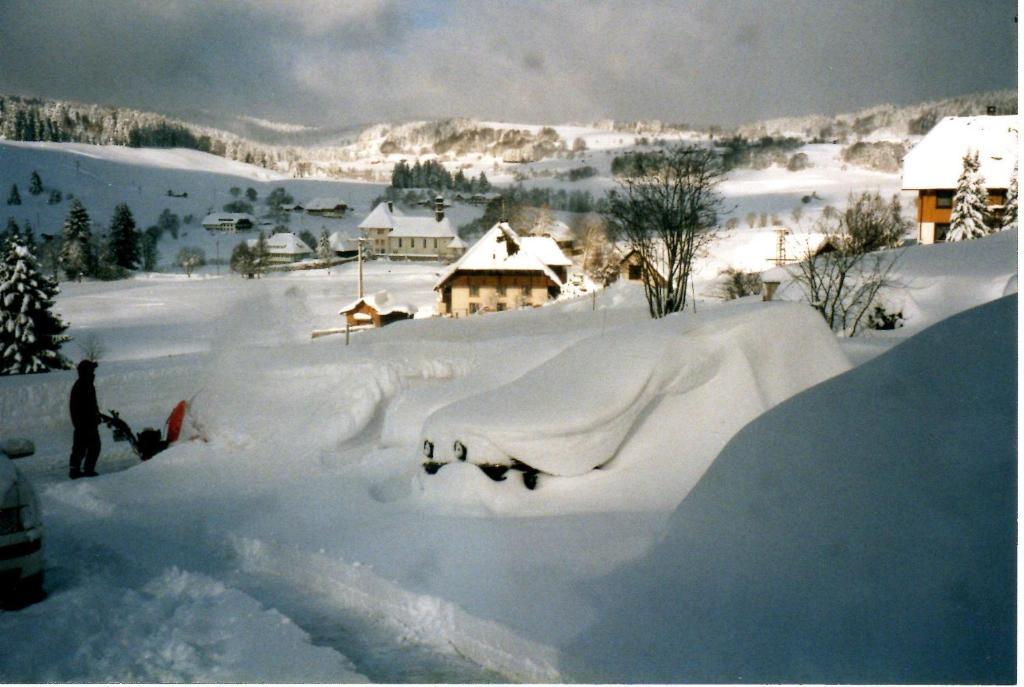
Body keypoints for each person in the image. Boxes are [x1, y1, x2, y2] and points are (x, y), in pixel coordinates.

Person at [68, 359, 101, 479]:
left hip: (84, 422)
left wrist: (97, 415)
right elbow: (84, 406)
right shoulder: (84, 385)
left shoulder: (85, 383)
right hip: (85, 423)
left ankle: (76, 470)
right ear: (87, 371)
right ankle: (86, 470)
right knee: (93, 446)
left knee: (80, 447)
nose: (93, 373)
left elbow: (91, 404)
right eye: (92, 370)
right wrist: (92, 418)